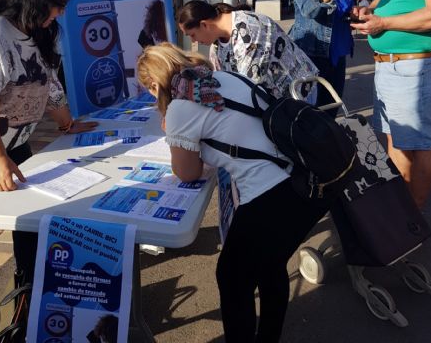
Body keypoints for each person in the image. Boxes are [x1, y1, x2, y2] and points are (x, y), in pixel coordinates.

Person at [136, 43, 326, 342]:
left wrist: (174, 133)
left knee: (231, 277)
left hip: (269, 196)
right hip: (304, 179)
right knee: (269, 264)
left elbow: (186, 173)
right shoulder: (225, 77)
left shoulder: (180, 107)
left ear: (155, 85)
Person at [0, 0, 97, 340]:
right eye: (58, 3)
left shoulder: (34, 32)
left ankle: (27, 295)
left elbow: (48, 85)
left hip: (14, 142)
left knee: (31, 218)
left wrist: (67, 122)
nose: (62, 12)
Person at [351, 0, 431, 209]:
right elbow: (393, 1)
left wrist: (384, 22)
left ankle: (412, 213)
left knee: (423, 142)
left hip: (415, 68)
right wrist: (371, 10)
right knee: (396, 140)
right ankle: (400, 210)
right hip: (391, 67)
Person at [177, 0, 318, 99]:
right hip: (275, 101)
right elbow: (219, 78)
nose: (193, 41)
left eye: (192, 35)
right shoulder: (217, 42)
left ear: (204, 25)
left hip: (297, 94)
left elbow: (247, 85)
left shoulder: (249, 29)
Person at [288, 0, 354, 113]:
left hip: (338, 52)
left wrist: (357, 13)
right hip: (312, 52)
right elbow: (308, 10)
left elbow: (345, 8)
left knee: (331, 108)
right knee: (310, 112)